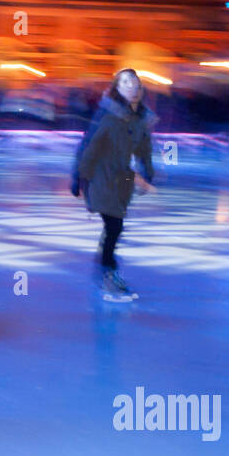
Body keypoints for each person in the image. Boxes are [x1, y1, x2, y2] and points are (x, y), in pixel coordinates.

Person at [72, 68, 156, 302]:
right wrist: (78, 179)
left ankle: (104, 271)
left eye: (134, 82)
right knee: (114, 227)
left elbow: (143, 148)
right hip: (101, 177)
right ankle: (108, 277)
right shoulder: (107, 116)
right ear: (117, 88)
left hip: (123, 180)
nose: (131, 86)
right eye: (125, 82)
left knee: (113, 227)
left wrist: (148, 173)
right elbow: (89, 148)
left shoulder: (140, 118)